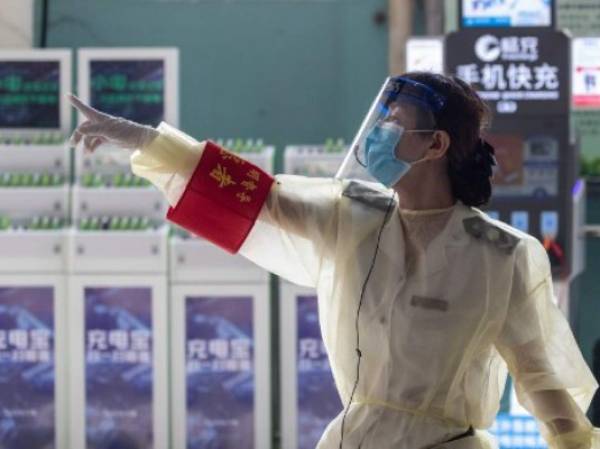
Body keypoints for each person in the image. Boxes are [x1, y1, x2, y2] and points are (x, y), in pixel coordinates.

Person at [68, 72, 600, 449]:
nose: (378, 131)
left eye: (394, 122)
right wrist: (141, 138)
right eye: (382, 117)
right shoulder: (354, 217)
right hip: (354, 438)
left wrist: (574, 442)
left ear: (435, 144)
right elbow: (259, 197)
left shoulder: (499, 257)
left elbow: (539, 377)